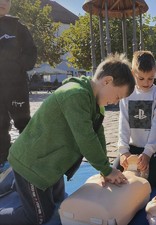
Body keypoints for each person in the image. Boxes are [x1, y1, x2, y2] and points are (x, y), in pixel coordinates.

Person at [0, 53, 135, 225]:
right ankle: (16, 183)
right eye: (117, 96)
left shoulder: (95, 104)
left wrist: (105, 169)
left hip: (50, 164)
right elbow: (86, 139)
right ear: (107, 81)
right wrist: (107, 170)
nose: (115, 102)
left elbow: (98, 135)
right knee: (39, 217)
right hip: (32, 166)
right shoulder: (75, 95)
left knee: (59, 202)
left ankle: (16, 185)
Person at [113, 50, 156, 187]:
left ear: (155, 72)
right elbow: (123, 124)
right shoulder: (127, 94)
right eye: (141, 78)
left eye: (151, 78)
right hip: (133, 147)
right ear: (133, 73)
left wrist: (148, 153)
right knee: (116, 174)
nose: (146, 83)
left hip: (155, 148)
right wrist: (124, 151)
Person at [0, 0, 37, 174]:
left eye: (7, 0)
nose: (3, 3)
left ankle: (30, 158)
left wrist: (19, 66)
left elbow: (31, 52)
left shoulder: (18, 27)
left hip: (16, 85)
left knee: (23, 122)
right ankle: (3, 161)